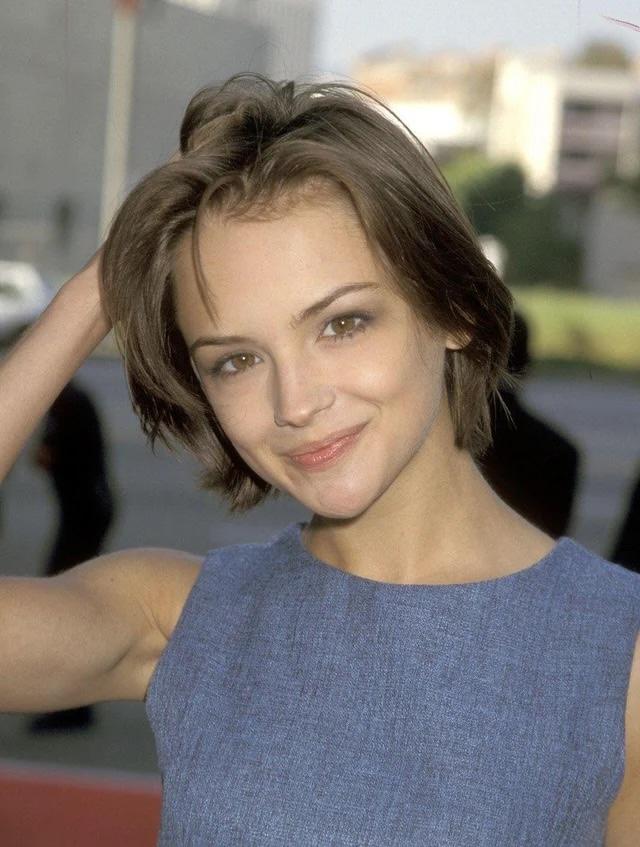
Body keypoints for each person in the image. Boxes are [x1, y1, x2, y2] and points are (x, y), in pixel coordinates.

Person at [0, 73, 639, 845]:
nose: (295, 402)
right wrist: (100, 286)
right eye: (236, 360)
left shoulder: (620, 654)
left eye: (342, 324)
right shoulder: (182, 616)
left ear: (455, 306)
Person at [28, 377, 116, 731]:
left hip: (83, 512)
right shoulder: (72, 401)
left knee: (63, 602)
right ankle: (73, 703)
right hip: (86, 509)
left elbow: (47, 456)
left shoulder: (67, 406)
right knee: (67, 598)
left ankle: (70, 704)